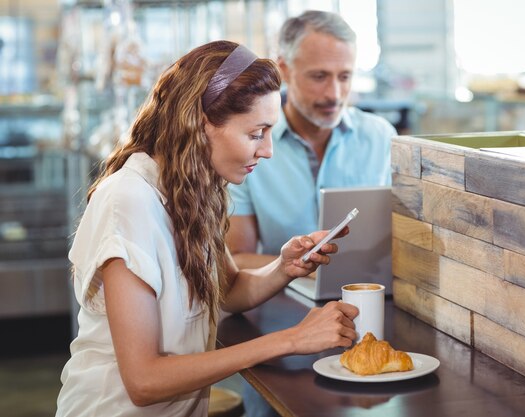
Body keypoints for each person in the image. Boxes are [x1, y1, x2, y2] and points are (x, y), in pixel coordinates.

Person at [55, 40, 358, 417]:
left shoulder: (192, 191)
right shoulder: (129, 201)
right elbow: (144, 381)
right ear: (201, 123)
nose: (268, 150)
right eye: (255, 133)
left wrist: (284, 267)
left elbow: (226, 291)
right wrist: (291, 340)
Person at [226, 10, 397, 269]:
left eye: (345, 76)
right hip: (283, 301)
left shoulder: (381, 138)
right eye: (319, 76)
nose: (334, 94)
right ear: (284, 70)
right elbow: (237, 260)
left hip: (368, 294)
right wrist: (309, 271)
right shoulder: (250, 147)